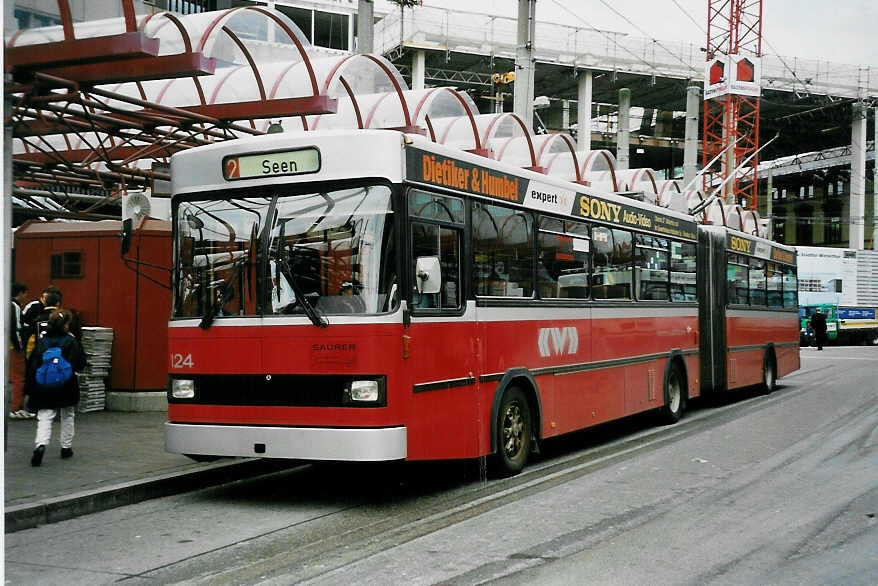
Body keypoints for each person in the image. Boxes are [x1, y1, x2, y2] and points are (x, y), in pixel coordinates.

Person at [26, 308, 86, 466]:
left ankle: (41, 444)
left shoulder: (42, 342)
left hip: (44, 385)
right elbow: (80, 363)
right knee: (68, 414)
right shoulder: (71, 341)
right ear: (66, 325)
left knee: (45, 416)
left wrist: (30, 388)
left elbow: (33, 364)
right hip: (66, 384)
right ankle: (66, 447)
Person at [9, 282, 34, 419]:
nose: (26, 296)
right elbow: (16, 329)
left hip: (7, 347)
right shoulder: (15, 307)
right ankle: (16, 409)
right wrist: (20, 347)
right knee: (19, 378)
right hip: (14, 348)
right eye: (25, 293)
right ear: (20, 293)